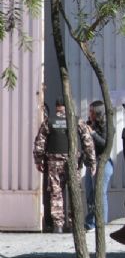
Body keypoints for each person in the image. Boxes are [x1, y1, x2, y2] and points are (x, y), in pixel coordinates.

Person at [33, 99, 97, 233]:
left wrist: (38, 160)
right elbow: (88, 141)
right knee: (74, 192)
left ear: (57, 107)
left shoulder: (49, 121)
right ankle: (75, 224)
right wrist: (91, 162)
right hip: (73, 162)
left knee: (56, 193)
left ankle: (58, 226)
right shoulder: (76, 120)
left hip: (54, 163)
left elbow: (40, 142)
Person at [82, 100, 114, 232]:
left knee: (100, 194)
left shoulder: (107, 126)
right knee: (90, 193)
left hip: (103, 163)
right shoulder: (90, 124)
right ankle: (91, 223)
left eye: (91, 111)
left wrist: (93, 133)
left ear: (97, 112)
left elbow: (105, 144)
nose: (89, 114)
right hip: (91, 163)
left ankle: (101, 224)